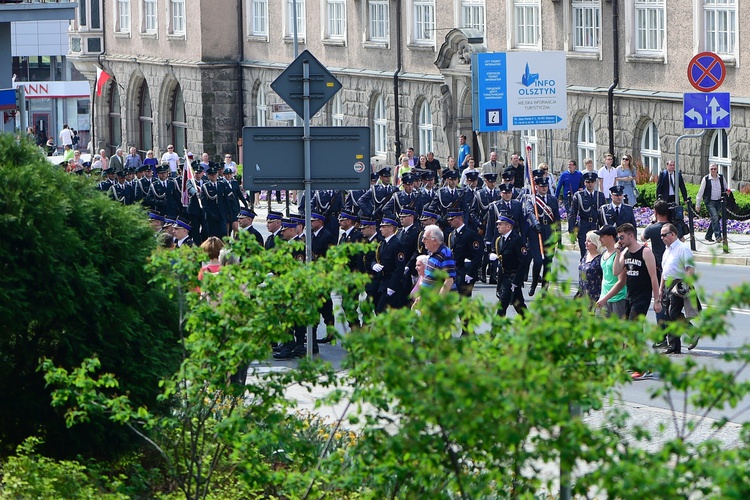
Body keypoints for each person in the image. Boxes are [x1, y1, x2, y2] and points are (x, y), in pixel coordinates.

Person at [659, 223, 701, 354]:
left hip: (678, 284)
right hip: (667, 285)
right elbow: (665, 271)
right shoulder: (667, 250)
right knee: (667, 315)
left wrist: (685, 285)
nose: (662, 238)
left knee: (673, 313)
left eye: (664, 235)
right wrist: (661, 289)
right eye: (661, 235)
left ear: (673, 234)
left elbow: (690, 268)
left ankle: (693, 332)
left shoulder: (682, 249)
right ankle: (674, 346)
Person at [613, 223, 662, 321]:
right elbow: (616, 271)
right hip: (629, 296)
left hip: (642, 297)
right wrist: (617, 253)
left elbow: (654, 277)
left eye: (622, 237)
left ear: (631, 236)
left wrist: (657, 300)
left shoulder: (645, 252)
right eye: (618, 238)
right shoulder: (625, 252)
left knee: (634, 327)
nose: (620, 241)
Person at [490, 215, 529, 317]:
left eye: (500, 224)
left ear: (508, 226)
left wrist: (516, 281)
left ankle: (493, 332)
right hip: (504, 277)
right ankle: (531, 327)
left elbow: (523, 262)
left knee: (502, 306)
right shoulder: (500, 240)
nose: (498, 226)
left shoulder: (517, 240)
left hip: (513, 277)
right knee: (519, 305)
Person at [527, 176, 560, 295]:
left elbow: (557, 218)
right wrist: (536, 224)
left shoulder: (552, 199)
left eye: (546, 186)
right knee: (538, 261)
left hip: (549, 232)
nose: (544, 188)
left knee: (548, 262)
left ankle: (545, 288)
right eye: (541, 186)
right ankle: (534, 284)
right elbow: (529, 212)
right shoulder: (532, 200)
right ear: (536, 187)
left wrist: (559, 235)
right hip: (536, 232)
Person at [569, 172, 607, 258]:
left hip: (596, 226)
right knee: (585, 253)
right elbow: (572, 213)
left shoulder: (600, 195)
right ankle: (583, 270)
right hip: (583, 226)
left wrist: (605, 229)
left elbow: (604, 214)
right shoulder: (579, 195)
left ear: (595, 182)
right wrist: (572, 230)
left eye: (592, 182)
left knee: (598, 252)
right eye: (588, 182)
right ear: (584, 183)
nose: (590, 184)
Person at [374, 217, 407, 313]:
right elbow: (376, 259)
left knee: (382, 311)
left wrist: (392, 286)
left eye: (383, 227)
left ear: (390, 228)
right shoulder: (383, 243)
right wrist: (373, 265)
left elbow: (399, 267)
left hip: (391, 283)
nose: (380, 229)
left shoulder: (396, 244)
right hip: (382, 282)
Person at [446, 210, 482, 298]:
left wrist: (470, 273)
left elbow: (477, 256)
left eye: (452, 219)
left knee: (464, 300)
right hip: (455, 271)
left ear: (459, 219)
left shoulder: (470, 234)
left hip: (466, 271)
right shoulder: (452, 235)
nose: (449, 221)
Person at [595, 225, 628, 318]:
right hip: (604, 298)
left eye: (602, 236)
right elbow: (605, 278)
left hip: (618, 299)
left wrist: (605, 298)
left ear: (610, 237)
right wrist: (602, 297)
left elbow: (621, 281)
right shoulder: (604, 254)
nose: (600, 239)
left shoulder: (619, 255)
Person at [419, 224, 457, 295]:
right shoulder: (432, 253)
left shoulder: (445, 254)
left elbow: (449, 281)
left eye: (425, 238)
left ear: (435, 241)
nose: (422, 241)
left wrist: (439, 303)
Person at [695, 163, 727, 243]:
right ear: (709, 170)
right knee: (715, 216)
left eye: (714, 169)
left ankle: (708, 236)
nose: (713, 170)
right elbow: (700, 192)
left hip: (719, 201)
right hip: (710, 202)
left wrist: (727, 192)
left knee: (715, 218)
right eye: (711, 169)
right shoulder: (706, 179)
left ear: (717, 169)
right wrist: (698, 204)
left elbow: (726, 188)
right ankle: (718, 236)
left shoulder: (721, 178)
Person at [578, 230, 603, 309]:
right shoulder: (586, 254)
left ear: (596, 243)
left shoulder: (600, 258)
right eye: (586, 240)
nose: (586, 243)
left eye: (589, 241)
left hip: (593, 296)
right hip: (581, 293)